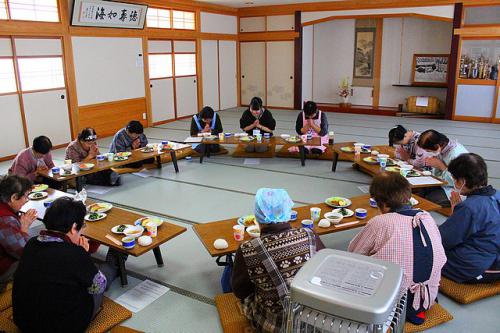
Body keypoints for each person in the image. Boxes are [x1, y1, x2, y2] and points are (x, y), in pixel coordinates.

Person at [348, 172, 446, 325]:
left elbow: (354, 253)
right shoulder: (426, 216)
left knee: (351, 268)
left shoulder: (380, 222)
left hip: (390, 301)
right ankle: (416, 310)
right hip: (427, 296)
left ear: (381, 202)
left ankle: (393, 313)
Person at [13, 197, 121, 333]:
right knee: (104, 272)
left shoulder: (32, 243)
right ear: (73, 227)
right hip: (62, 326)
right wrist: (84, 255)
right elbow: (99, 286)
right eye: (82, 227)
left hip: (24, 322)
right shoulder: (74, 254)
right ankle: (115, 260)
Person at [232, 188, 325, 333]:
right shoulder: (309, 234)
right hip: (312, 322)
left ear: (257, 216)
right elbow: (325, 269)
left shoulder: (247, 249)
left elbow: (240, 291)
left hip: (273, 326)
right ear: (288, 211)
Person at [439, 153, 500, 284]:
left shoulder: (469, 208)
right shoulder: (497, 196)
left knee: (424, 252)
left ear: (463, 181)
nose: (454, 183)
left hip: (473, 268)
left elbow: (443, 240)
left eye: (455, 179)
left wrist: (455, 215)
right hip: (494, 261)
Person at [0, 175, 37, 290]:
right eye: (25, 196)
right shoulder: (6, 220)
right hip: (3, 269)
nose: (27, 200)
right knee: (39, 259)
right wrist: (24, 228)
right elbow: (25, 252)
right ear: (14, 197)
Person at [417, 129, 469, 207]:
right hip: (444, 184)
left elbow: (460, 182)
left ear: (437, 146)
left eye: (429, 150)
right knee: (422, 191)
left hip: (459, 190)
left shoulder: (456, 154)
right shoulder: (444, 147)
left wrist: (441, 166)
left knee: (429, 199)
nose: (429, 152)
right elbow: (437, 173)